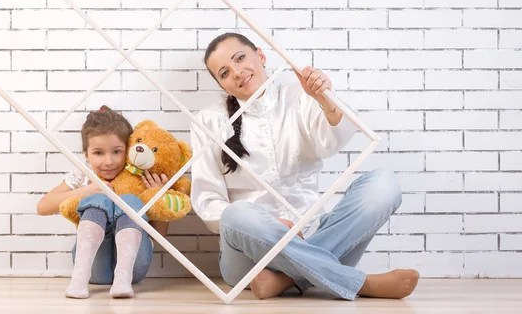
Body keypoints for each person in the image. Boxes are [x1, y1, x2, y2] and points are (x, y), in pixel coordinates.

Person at [190, 33, 419, 300]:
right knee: (236, 214)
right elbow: (208, 201)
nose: (238, 72)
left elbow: (330, 143)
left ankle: (286, 279)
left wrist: (324, 99)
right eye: (225, 73)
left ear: (260, 55)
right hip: (249, 257)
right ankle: (358, 283)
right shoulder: (208, 120)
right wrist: (274, 224)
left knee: (383, 184)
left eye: (240, 58)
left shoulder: (299, 95)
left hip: (312, 235)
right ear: (222, 85)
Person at [36, 106, 169, 299]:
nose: (108, 161)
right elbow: (42, 206)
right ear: (86, 155)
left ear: (128, 150)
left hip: (134, 268)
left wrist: (159, 197)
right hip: (93, 270)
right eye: (98, 153)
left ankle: (122, 279)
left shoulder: (141, 177)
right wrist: (84, 192)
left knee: (129, 200)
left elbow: (159, 236)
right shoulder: (83, 175)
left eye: (117, 151)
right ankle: (78, 280)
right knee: (98, 198)